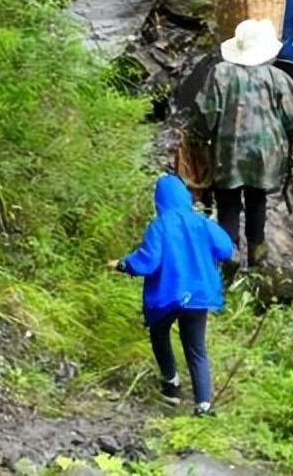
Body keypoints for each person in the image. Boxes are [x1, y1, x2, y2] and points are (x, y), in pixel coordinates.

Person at [109, 173, 234, 417]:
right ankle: (203, 405)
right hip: (198, 294)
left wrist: (123, 264)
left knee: (159, 332)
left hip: (167, 295)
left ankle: (171, 384)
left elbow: (148, 261)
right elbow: (226, 249)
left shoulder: (160, 225)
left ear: (160, 200)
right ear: (185, 198)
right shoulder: (202, 223)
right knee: (196, 347)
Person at [189, 18, 293, 266]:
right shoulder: (276, 77)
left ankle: (227, 254)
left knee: (228, 201)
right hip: (265, 152)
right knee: (257, 197)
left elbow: (205, 113)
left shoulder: (220, 73)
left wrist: (198, 144)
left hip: (229, 151)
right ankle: (257, 254)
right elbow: (292, 116)